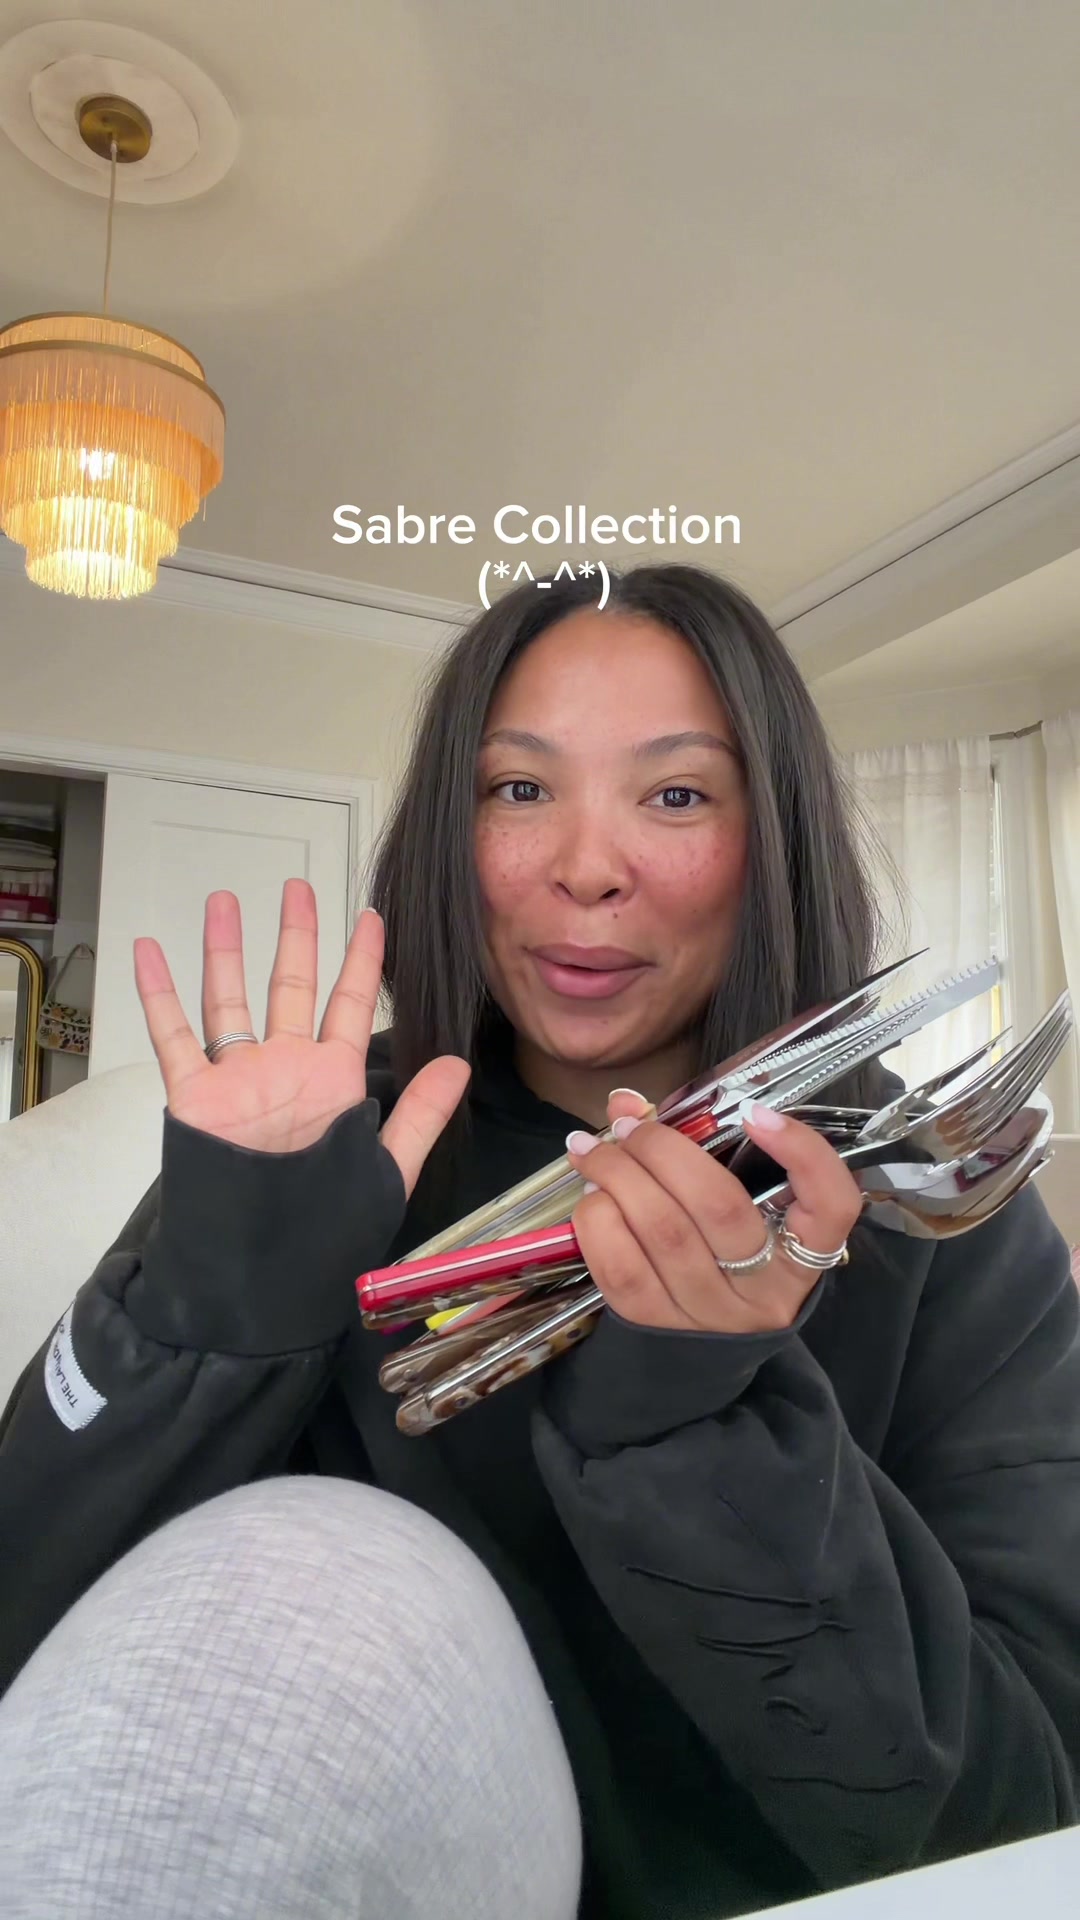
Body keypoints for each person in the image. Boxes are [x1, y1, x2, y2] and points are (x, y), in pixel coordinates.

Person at [0, 564, 1077, 1920]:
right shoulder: (321, 1147)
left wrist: (697, 1426)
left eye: (676, 795)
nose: (585, 866)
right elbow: (29, 1637)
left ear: (775, 840)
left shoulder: (931, 1216)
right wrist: (210, 1314)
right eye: (519, 788)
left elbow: (1023, 1811)